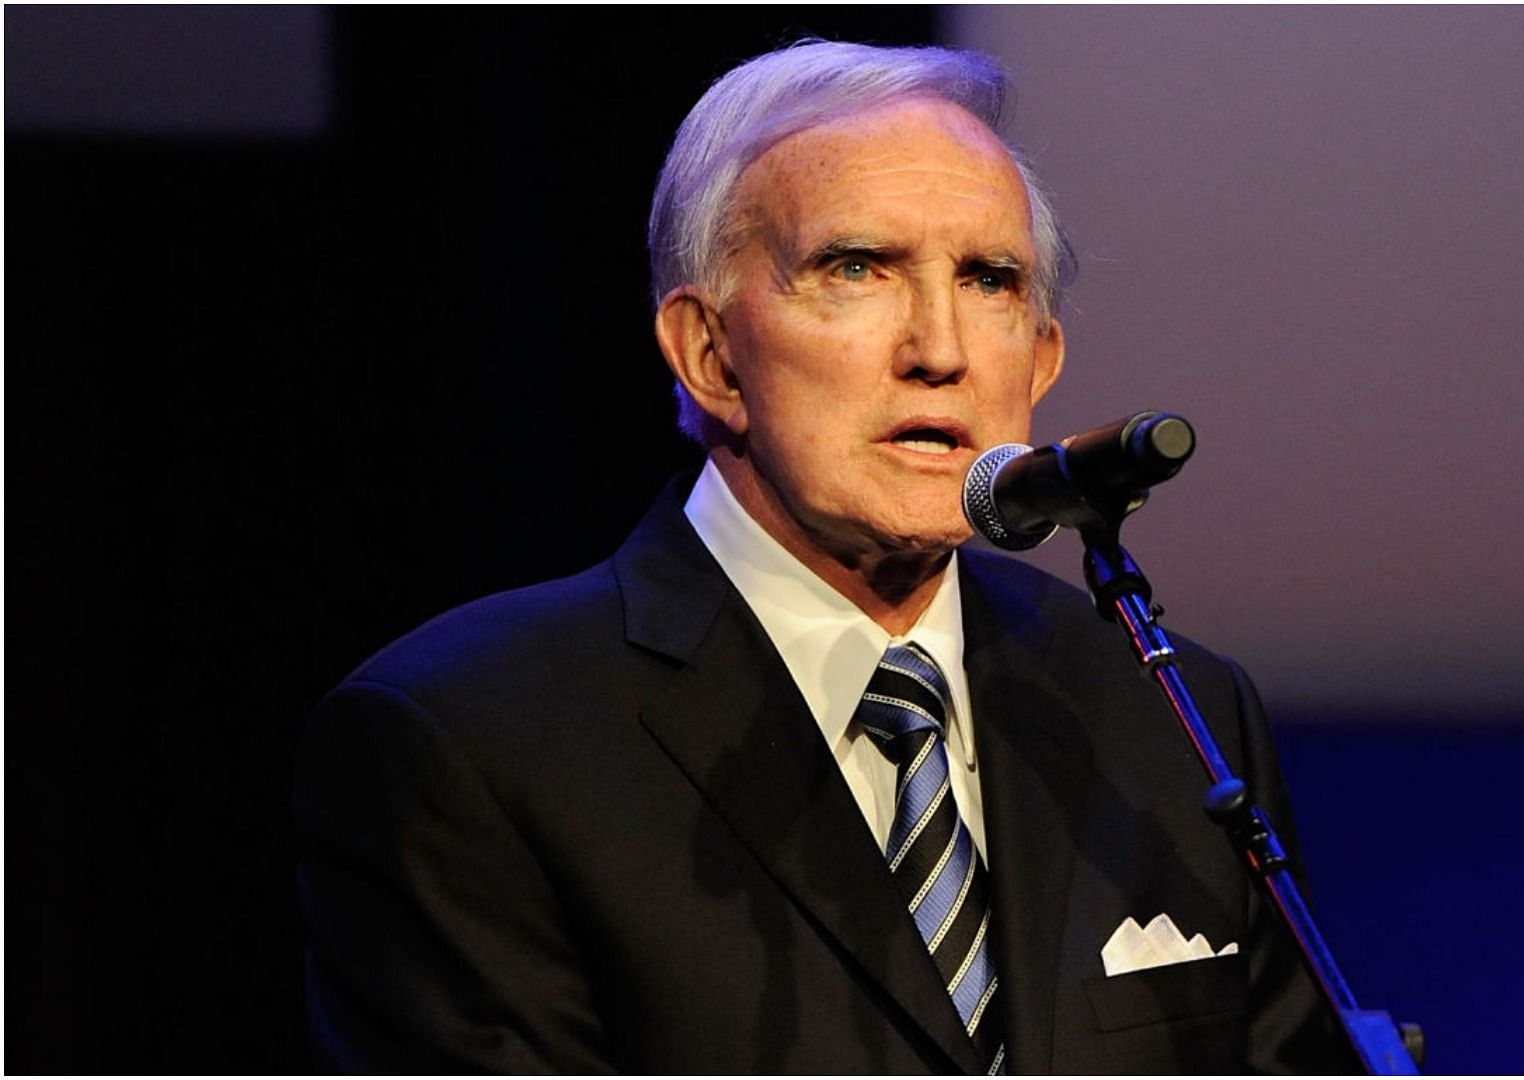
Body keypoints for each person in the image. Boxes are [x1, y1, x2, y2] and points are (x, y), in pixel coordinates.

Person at [295, 40, 1343, 1073]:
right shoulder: (470, 741)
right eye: (857, 268)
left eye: (989, 280)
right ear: (710, 354)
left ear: (1042, 357)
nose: (940, 348)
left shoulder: (1171, 714)